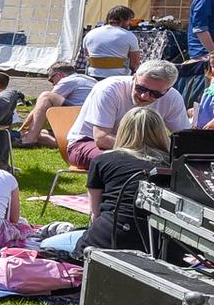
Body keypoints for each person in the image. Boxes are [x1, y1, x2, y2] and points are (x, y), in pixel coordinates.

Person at [42, 106, 172, 259]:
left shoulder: (103, 160)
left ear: (122, 131)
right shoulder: (174, 167)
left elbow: (95, 213)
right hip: (160, 248)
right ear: (161, 133)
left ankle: (63, 231)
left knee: (46, 244)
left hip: (106, 241)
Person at [66, 60, 188, 171]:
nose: (144, 96)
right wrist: (147, 152)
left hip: (139, 149)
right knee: (129, 163)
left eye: (154, 93)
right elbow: (102, 139)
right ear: (134, 77)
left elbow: (184, 137)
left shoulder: (173, 97)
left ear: (167, 90)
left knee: (176, 164)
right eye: (140, 88)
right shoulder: (109, 90)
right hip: (85, 143)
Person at [20, 64, 95, 147]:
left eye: (51, 80)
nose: (53, 84)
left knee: (46, 96)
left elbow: (41, 105)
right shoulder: (90, 80)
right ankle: (64, 144)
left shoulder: (67, 81)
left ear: (60, 75)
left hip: (81, 116)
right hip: (92, 121)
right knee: (40, 132)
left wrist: (23, 128)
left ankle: (29, 140)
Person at [83, 7, 142, 77]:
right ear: (124, 20)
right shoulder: (129, 36)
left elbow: (87, 56)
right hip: (118, 77)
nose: (130, 23)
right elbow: (135, 64)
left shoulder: (90, 34)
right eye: (130, 20)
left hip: (93, 75)